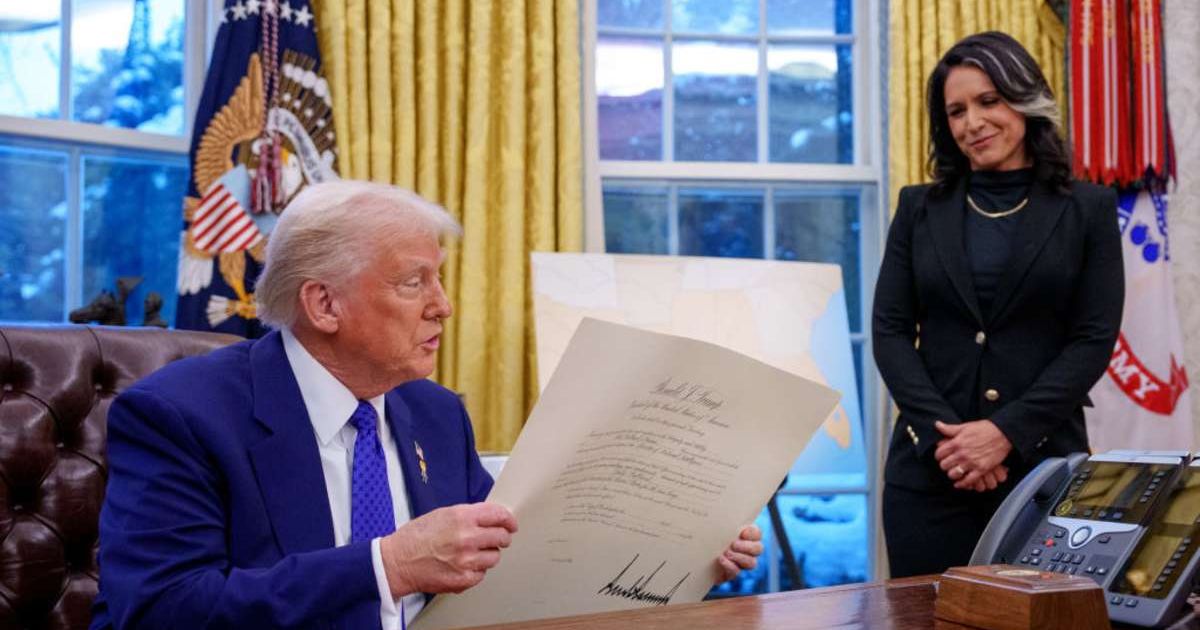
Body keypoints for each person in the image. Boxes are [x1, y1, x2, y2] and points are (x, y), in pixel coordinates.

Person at [91, 181, 764, 629]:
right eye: (414, 282)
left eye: (438, 279)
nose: (443, 305)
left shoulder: (436, 414)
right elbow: (159, 610)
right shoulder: (180, 415)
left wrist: (681, 540)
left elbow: (517, 561)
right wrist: (387, 566)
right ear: (324, 303)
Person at [872, 31, 1124, 578]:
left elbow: (1093, 339)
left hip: (1043, 472)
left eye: (989, 101)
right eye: (956, 110)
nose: (972, 123)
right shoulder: (918, 208)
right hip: (929, 478)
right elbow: (890, 330)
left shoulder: (1090, 209)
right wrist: (951, 442)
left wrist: (1005, 432)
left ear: (1025, 100)